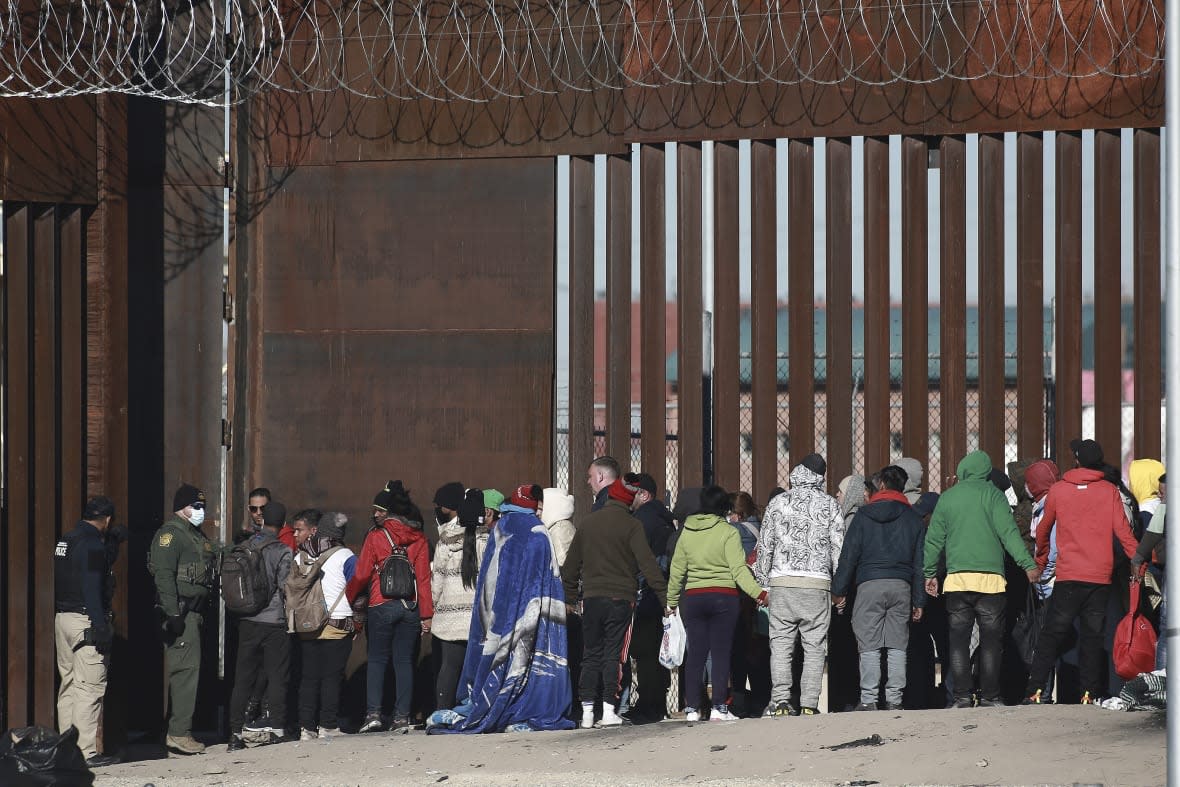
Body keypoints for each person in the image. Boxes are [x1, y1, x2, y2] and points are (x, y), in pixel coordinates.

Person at [426, 491, 575, 734]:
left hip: (489, 617)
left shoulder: (500, 530)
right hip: (531, 611)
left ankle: (461, 705)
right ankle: (523, 707)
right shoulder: (538, 532)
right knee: (528, 662)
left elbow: (489, 580)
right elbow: (549, 578)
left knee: (456, 665)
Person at [1024, 439, 1139, 705]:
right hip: (1099, 575)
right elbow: (1124, 533)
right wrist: (1140, 560)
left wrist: (1041, 561)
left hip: (1068, 575)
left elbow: (1043, 531)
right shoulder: (1109, 491)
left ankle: (1035, 689)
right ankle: (1088, 693)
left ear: (1076, 460)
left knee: (1052, 633)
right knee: (1092, 636)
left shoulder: (1059, 490)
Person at [923, 450, 1037, 708]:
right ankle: (990, 696)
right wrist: (1027, 565)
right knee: (991, 642)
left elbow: (934, 540)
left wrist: (929, 573)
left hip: (957, 581)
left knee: (958, 642)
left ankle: (962, 696)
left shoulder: (948, 498)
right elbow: (1009, 535)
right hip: (991, 582)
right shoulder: (994, 497)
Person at [562, 475, 668, 728]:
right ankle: (609, 709)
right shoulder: (632, 526)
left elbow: (571, 567)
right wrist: (665, 599)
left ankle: (587, 711)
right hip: (622, 598)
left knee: (590, 653)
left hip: (591, 598)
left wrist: (568, 597)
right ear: (629, 500)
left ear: (610, 497)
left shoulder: (588, 524)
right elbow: (649, 566)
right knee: (614, 654)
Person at [666, 485, 767, 722]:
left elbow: (677, 571)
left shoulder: (687, 532)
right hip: (724, 597)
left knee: (696, 655)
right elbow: (739, 571)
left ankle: (692, 708)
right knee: (721, 654)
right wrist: (759, 594)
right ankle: (718, 708)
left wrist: (671, 601)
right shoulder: (728, 532)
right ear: (724, 508)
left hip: (693, 598)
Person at [754, 454, 844, 717]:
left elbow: (766, 545)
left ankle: (781, 701)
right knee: (815, 646)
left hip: (782, 582)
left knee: (781, 644)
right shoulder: (830, 505)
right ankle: (808, 703)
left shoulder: (778, 502)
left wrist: (763, 584)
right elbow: (838, 547)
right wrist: (838, 586)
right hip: (818, 584)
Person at [831, 466, 926, 712]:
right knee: (897, 645)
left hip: (868, 585)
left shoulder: (863, 516)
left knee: (869, 645)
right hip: (901, 585)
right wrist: (919, 600)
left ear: (881, 484)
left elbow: (848, 556)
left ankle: (869, 699)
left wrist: (839, 589)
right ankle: (894, 699)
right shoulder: (913, 518)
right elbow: (919, 564)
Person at [347, 480, 433, 733]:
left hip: (380, 603)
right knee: (404, 661)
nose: (375, 514)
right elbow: (423, 579)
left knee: (376, 660)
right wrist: (426, 614)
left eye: (379, 510)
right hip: (410, 607)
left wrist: (349, 595)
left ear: (389, 512)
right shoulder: (419, 538)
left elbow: (362, 574)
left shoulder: (375, 537)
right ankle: (402, 718)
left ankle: (373, 714)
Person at [148, 483, 219, 755]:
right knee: (185, 673)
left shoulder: (194, 534)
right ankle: (179, 734)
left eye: (203, 506)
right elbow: (164, 576)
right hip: (181, 612)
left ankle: (178, 729)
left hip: (194, 612)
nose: (201, 511)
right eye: (196, 506)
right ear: (182, 507)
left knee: (189, 671)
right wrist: (174, 613)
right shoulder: (170, 535)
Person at [54, 496, 120, 767]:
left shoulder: (65, 540)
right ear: (106, 520)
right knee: (89, 688)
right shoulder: (93, 545)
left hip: (63, 619)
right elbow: (93, 586)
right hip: (85, 621)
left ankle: (67, 752)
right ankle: (85, 753)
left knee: (68, 684)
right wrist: (100, 624)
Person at [227, 501, 295, 750]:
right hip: (274, 621)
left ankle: (234, 734)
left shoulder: (244, 545)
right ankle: (276, 728)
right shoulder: (283, 550)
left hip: (246, 620)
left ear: (263, 520)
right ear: (283, 524)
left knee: (243, 677)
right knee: (277, 675)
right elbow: (285, 586)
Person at [290, 510, 356, 740]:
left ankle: (306, 728)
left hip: (307, 624)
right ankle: (328, 725)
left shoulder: (300, 555)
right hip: (337, 622)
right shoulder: (346, 555)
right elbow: (357, 587)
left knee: (308, 677)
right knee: (331, 676)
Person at [432, 488, 490, 712]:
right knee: (478, 665)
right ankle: (475, 710)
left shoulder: (444, 542)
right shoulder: (488, 542)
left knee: (449, 666)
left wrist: (438, 605)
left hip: (450, 616)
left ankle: (442, 710)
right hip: (478, 617)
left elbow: (436, 581)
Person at [625, 472, 675, 722]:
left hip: (647, 594)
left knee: (645, 653)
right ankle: (656, 702)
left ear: (644, 495)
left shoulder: (642, 521)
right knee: (656, 651)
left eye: (632, 492)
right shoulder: (663, 519)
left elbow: (638, 561)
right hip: (663, 594)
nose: (627, 496)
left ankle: (648, 705)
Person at [540, 487, 576, 567]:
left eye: (541, 507)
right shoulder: (556, 527)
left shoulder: (560, 529)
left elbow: (562, 563)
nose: (538, 512)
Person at [727, 491, 762, 558]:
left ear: (738, 513)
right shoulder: (757, 523)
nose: (728, 518)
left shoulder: (738, 529)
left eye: (729, 514)